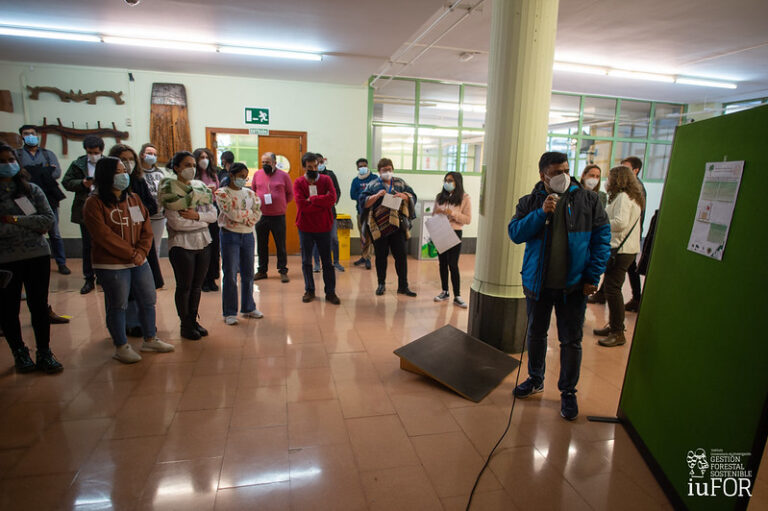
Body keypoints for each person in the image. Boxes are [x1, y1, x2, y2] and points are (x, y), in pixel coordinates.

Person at [508, 151, 610, 421]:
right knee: (536, 335)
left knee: (571, 341)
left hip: (574, 287)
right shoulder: (530, 202)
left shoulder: (588, 200)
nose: (563, 176)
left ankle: (567, 392)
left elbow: (602, 239)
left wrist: (592, 276)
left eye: (565, 169)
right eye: (556, 172)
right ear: (543, 175)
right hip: (538, 284)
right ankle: (535, 378)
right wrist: (540, 214)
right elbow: (515, 233)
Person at [83, 157, 174, 363]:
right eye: (118, 171)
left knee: (148, 299)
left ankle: (150, 338)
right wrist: (132, 254)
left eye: (124, 170)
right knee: (118, 304)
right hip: (111, 263)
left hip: (139, 261)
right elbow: (103, 235)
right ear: (106, 175)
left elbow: (146, 228)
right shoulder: (94, 203)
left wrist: (141, 252)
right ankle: (121, 346)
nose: (124, 174)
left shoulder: (133, 199)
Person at [0, 144, 63, 373]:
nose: (9, 164)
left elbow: (47, 221)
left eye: (11, 159)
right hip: (5, 261)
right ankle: (19, 352)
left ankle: (44, 351)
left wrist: (13, 220)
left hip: (37, 255)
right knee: (8, 309)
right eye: (3, 160)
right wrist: (29, 225)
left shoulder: (31, 190)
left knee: (39, 306)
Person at [159, 151, 216, 340]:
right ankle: (185, 324)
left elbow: (213, 215)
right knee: (185, 286)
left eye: (193, 165)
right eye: (187, 165)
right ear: (176, 168)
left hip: (203, 243)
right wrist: (203, 221)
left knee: (197, 286)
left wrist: (197, 216)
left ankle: (193, 320)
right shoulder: (169, 189)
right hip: (182, 245)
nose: (192, 168)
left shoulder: (199, 186)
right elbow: (177, 223)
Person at [593, 165, 643, 347]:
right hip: (626, 250)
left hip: (620, 251)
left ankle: (617, 332)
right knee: (611, 287)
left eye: (609, 178)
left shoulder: (622, 197)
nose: (607, 181)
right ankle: (614, 326)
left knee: (612, 290)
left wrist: (599, 222)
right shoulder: (634, 197)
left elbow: (620, 223)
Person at [359, 158, 418, 297]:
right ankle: (381, 284)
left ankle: (403, 286)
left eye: (389, 169)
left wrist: (404, 196)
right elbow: (363, 201)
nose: (387, 172)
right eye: (384, 170)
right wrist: (376, 196)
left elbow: (412, 195)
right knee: (380, 256)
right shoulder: (373, 184)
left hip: (397, 226)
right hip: (379, 227)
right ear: (379, 171)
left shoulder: (400, 182)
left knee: (401, 256)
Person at [16, 125, 70, 275]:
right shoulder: (17, 154)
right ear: (21, 136)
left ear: (37, 135)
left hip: (49, 197)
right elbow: (17, 174)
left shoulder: (47, 154)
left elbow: (57, 172)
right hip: (26, 197)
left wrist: (32, 172)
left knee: (54, 232)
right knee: (28, 229)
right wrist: (44, 171)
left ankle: (61, 263)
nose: (30, 136)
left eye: (32, 133)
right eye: (26, 134)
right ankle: (29, 263)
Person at [215, 163, 263, 325]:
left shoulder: (250, 193)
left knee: (248, 273)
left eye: (245, 177)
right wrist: (247, 216)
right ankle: (229, 311)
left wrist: (245, 216)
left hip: (248, 235)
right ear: (232, 175)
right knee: (230, 274)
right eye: (241, 176)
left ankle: (249, 306)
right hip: (230, 235)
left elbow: (258, 211)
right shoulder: (222, 193)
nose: (243, 180)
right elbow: (230, 213)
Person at [294, 152, 340, 305]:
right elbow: (301, 205)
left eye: (315, 166)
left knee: (327, 262)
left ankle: (330, 292)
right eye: (309, 167)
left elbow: (332, 199)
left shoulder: (326, 180)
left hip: (324, 227)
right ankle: (310, 290)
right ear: (304, 167)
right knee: (306, 261)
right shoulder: (299, 182)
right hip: (305, 227)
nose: (313, 169)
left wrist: (312, 199)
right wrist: (322, 202)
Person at [63, 135, 104, 294]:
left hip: (104, 209)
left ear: (101, 151)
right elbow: (66, 182)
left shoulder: (107, 163)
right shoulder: (78, 164)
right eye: (89, 152)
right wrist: (82, 183)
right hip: (85, 209)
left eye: (95, 152)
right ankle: (89, 278)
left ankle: (102, 276)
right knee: (88, 246)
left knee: (103, 244)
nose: (93, 155)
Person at [251, 152, 293, 283]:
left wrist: (280, 204)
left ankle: (283, 270)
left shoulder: (284, 176)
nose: (265, 165)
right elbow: (253, 190)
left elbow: (290, 194)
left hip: (278, 216)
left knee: (280, 244)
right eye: (263, 162)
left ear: (274, 163)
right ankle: (262, 270)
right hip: (261, 216)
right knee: (262, 244)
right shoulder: (257, 174)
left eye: (267, 162)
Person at [433, 171, 472, 308]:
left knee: (453, 264)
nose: (447, 183)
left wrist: (452, 213)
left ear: (457, 182)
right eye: (446, 180)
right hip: (440, 230)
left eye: (450, 181)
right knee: (442, 263)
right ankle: (445, 291)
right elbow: (433, 213)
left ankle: (457, 295)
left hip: (455, 232)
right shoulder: (440, 197)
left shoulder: (465, 198)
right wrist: (437, 213)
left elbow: (467, 219)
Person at [619, 156, 646, 312]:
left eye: (626, 168)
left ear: (635, 170)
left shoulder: (636, 189)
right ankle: (637, 297)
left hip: (628, 238)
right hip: (627, 238)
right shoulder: (629, 188)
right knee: (623, 269)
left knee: (617, 276)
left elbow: (627, 218)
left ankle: (636, 297)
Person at [312, 153, 344, 272]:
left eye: (321, 162)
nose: (319, 164)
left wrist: (332, 202)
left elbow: (337, 192)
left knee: (334, 238)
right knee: (316, 240)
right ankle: (316, 263)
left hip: (330, 212)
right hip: (316, 213)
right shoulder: (312, 176)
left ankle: (336, 262)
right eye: (317, 162)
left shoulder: (330, 175)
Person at [194, 148, 220, 292]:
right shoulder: (194, 176)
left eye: (206, 157)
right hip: (198, 213)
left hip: (212, 211)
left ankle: (212, 277)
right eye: (201, 157)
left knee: (214, 247)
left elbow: (217, 191)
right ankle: (202, 279)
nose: (204, 160)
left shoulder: (213, 174)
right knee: (202, 247)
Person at [139, 143, 168, 257]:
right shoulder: (138, 173)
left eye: (155, 154)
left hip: (159, 216)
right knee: (143, 244)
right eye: (149, 153)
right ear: (142, 155)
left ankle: (155, 271)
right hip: (142, 215)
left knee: (156, 245)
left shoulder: (159, 173)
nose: (152, 156)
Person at [350, 157, 377, 269]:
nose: (362, 168)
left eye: (364, 166)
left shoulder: (374, 178)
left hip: (372, 212)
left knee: (370, 235)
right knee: (362, 235)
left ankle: (368, 258)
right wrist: (363, 198)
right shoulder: (356, 181)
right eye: (360, 166)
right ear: (357, 168)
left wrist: (367, 198)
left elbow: (377, 191)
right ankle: (363, 256)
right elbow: (352, 195)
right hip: (360, 212)